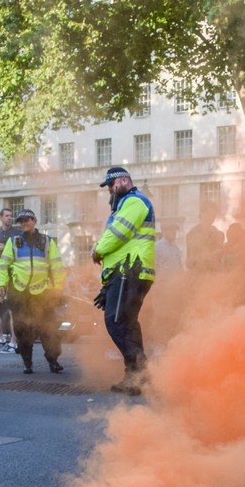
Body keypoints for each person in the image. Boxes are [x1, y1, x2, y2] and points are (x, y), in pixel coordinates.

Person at [93, 166, 156, 395]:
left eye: (112, 184)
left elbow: (118, 234)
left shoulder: (134, 201)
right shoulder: (127, 203)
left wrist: (97, 250)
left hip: (130, 271)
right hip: (127, 272)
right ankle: (136, 375)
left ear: (124, 180)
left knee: (117, 322)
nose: (110, 189)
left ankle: (140, 371)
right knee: (126, 323)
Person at [0, 209, 66, 373]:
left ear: (34, 221)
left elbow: (57, 267)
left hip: (42, 293)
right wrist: (1, 283)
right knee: (22, 330)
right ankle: (27, 362)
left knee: (49, 329)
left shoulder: (47, 241)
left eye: (27, 220)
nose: (24, 223)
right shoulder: (13, 242)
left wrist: (58, 287)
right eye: (21, 221)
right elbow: (3, 264)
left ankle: (53, 360)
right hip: (19, 292)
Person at [0, 206, 21, 353]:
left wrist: (6, 247)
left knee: (12, 311)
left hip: (12, 276)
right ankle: (0, 338)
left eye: (11, 215)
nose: (9, 218)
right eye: (7, 215)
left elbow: (20, 252)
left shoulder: (17, 234)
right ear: (0, 217)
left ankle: (13, 342)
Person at [185, 202, 225, 272]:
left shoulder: (216, 231)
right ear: (202, 214)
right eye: (210, 214)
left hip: (214, 272)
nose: (213, 217)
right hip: (200, 273)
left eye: (214, 215)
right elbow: (191, 259)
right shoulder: (193, 233)